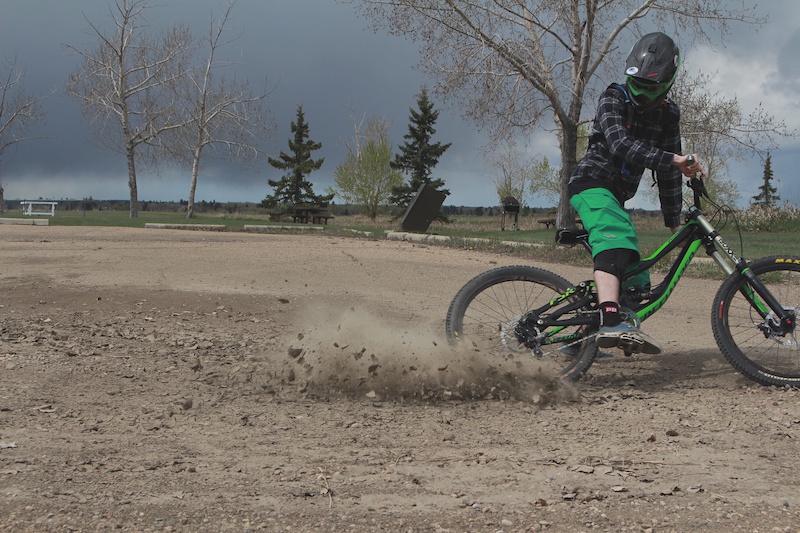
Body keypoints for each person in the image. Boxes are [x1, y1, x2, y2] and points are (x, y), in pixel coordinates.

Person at [567, 32, 704, 355]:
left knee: (637, 280)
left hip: (615, 195)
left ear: (669, 82)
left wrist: (674, 223)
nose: (641, 96)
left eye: (651, 89)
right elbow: (621, 145)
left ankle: (580, 343)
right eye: (637, 86)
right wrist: (675, 159)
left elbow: (670, 173)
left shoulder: (669, 115)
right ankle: (612, 321)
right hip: (591, 183)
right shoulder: (613, 98)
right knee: (617, 235)